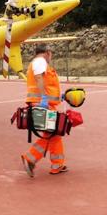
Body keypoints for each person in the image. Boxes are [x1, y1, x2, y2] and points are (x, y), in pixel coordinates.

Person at [21, 44, 67, 177]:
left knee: (52, 134)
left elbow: (47, 83)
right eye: (51, 54)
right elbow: (39, 78)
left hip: (42, 104)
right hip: (42, 105)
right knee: (52, 133)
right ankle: (30, 159)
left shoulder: (37, 63)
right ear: (47, 52)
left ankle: (57, 164)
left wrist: (59, 96)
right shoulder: (40, 61)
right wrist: (44, 98)